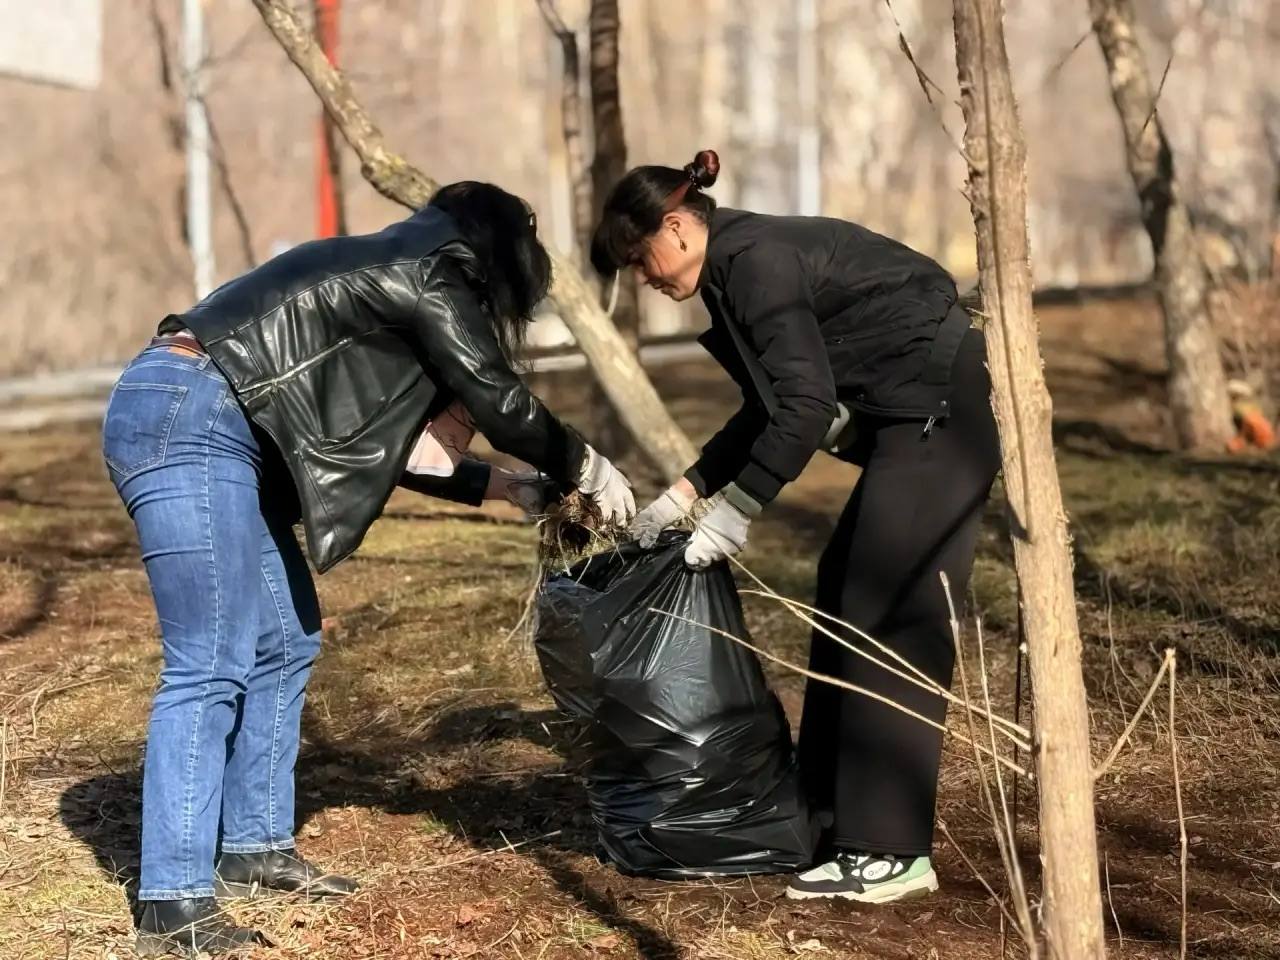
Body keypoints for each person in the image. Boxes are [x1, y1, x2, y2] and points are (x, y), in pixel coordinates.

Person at [103, 182, 634, 955]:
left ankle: (253, 848)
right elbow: (497, 397)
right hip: (189, 413)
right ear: (499, 250)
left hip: (219, 422)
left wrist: (513, 488)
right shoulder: (429, 270)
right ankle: (173, 903)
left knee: (285, 640)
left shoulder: (391, 276)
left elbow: (401, 451)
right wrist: (584, 463)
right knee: (210, 657)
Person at [591, 151, 1000, 904]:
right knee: (842, 589)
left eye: (639, 258)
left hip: (944, 412)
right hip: (913, 418)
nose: (643, 278)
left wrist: (738, 510)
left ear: (676, 227)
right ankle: (827, 819)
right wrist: (685, 494)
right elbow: (769, 407)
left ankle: (891, 849)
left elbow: (807, 408)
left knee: (888, 610)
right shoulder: (732, 269)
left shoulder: (755, 261)